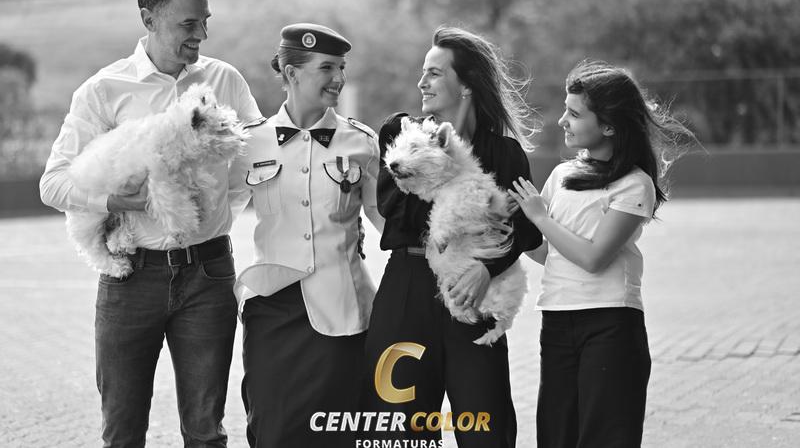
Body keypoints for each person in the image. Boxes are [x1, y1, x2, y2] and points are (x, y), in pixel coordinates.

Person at [39, 0, 262, 447]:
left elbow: (256, 161)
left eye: (205, 21)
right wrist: (113, 201)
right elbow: (52, 184)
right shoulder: (102, 91)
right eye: (188, 24)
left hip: (209, 274)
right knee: (122, 433)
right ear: (149, 19)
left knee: (206, 433)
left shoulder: (224, 80)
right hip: (130, 280)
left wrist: (220, 212)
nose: (201, 34)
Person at [362, 25, 543, 447]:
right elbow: (397, 211)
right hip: (407, 290)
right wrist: (468, 197)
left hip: (473, 291)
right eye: (423, 72)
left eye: (435, 73)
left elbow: (525, 230)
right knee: (398, 431)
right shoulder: (401, 135)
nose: (421, 82)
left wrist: (488, 268)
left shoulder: (504, 153)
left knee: (487, 429)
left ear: (466, 85)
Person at [508, 60, 695, 448]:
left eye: (575, 114)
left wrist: (540, 217)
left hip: (610, 326)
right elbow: (550, 253)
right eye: (566, 110)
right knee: (556, 437)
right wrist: (512, 229)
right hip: (557, 322)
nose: (562, 121)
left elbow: (594, 258)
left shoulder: (635, 184)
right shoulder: (561, 176)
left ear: (609, 125)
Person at [229, 23, 385, 448]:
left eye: (341, 68)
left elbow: (382, 217)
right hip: (271, 311)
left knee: (336, 432)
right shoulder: (249, 143)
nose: (338, 78)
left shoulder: (362, 142)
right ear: (291, 72)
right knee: (272, 428)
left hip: (342, 309)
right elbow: (214, 215)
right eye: (327, 68)